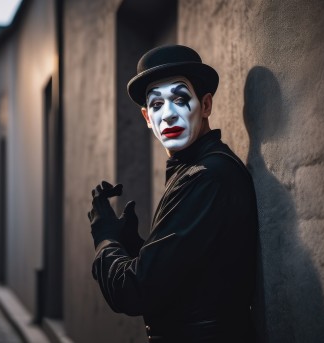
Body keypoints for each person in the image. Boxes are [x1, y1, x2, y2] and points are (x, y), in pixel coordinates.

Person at [88, 45, 258, 342]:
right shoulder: (193, 170)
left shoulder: (207, 177)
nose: (167, 114)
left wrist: (105, 238)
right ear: (146, 118)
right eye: (156, 105)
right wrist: (132, 244)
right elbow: (186, 277)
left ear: (205, 105)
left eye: (180, 98)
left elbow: (134, 291)